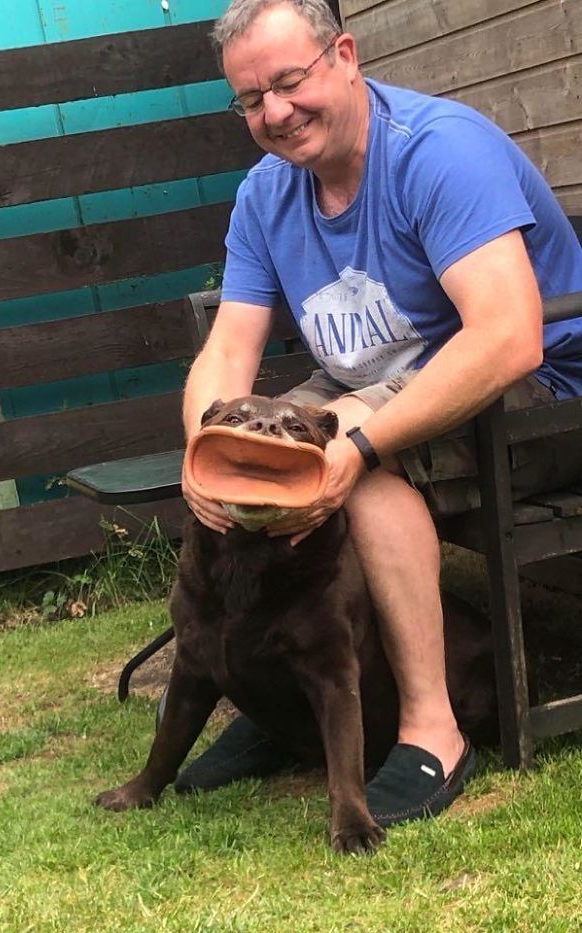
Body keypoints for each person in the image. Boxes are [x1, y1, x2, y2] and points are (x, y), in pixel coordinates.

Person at [175, 0, 582, 826]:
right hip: (377, 385)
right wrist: (205, 453)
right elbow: (227, 351)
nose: (275, 112)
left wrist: (357, 442)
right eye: (251, 99)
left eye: (289, 81)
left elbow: (509, 337)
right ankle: (276, 694)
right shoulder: (266, 194)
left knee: (345, 470)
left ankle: (434, 727)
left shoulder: (438, 152)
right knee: (254, 453)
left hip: (541, 401)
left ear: (346, 56)